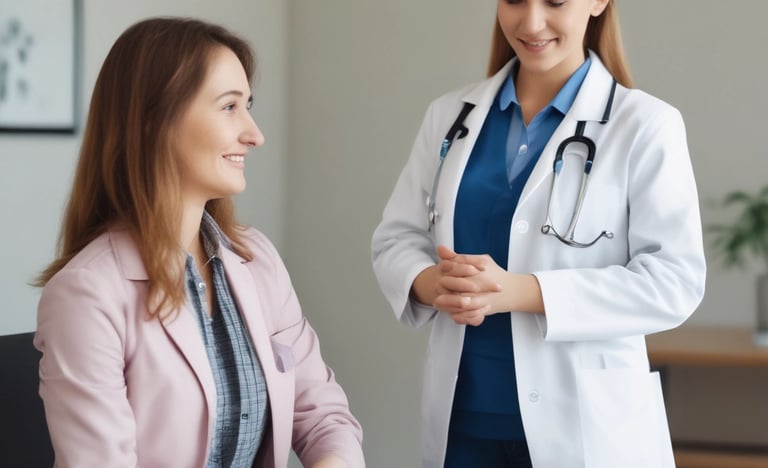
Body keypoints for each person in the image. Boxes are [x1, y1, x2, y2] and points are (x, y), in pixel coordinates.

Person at [371, 1, 705, 467]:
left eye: (555, 2)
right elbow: (396, 238)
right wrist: (435, 283)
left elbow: (674, 282)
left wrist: (524, 292)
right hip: (465, 423)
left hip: (585, 429)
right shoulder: (449, 115)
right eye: (514, 0)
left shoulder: (646, 125)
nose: (530, 22)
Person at [34, 17, 364, 468]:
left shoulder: (258, 260)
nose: (255, 134)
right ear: (152, 121)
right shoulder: (87, 294)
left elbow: (325, 418)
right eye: (229, 107)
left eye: (248, 106)